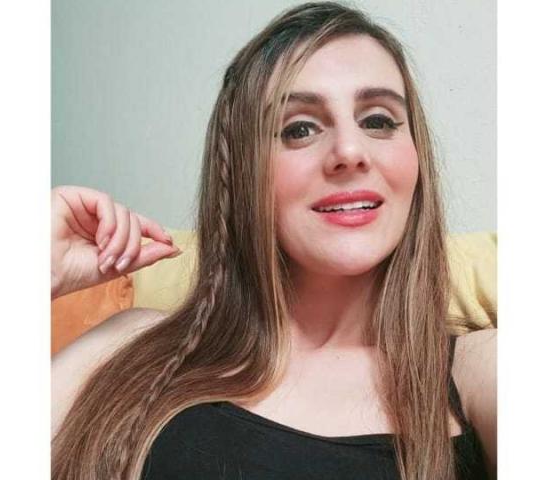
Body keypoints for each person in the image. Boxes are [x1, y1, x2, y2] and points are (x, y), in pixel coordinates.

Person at [51, 2, 496, 479]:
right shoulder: (126, 347)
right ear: (244, 173)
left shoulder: (477, 370)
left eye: (378, 121)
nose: (350, 151)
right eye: (298, 129)